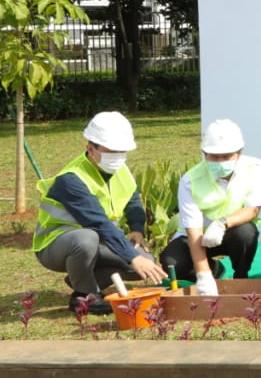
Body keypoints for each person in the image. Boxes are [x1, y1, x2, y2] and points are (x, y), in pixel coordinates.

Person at [33, 111, 168, 314]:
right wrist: (132, 255)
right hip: (55, 245)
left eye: (121, 151)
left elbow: (132, 198)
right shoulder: (71, 179)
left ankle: (85, 277)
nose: (117, 156)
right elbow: (98, 223)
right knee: (88, 239)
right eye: (111, 150)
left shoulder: (119, 169)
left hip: (98, 240)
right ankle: (85, 296)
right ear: (90, 148)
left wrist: (137, 229)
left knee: (144, 264)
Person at [159, 119, 261, 296]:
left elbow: (253, 209)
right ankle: (213, 268)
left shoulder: (254, 167)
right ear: (204, 154)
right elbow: (193, 231)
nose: (220, 162)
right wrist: (204, 274)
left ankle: (241, 277)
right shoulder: (190, 180)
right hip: (196, 238)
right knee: (172, 263)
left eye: (227, 156)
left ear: (239, 153)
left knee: (246, 233)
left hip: (231, 231)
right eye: (214, 157)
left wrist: (221, 223)